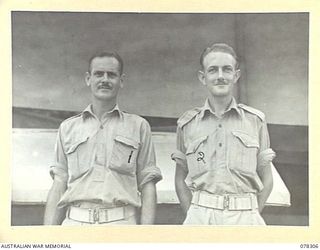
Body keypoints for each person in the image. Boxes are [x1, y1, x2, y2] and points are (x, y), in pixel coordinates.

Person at [44, 51, 162, 225]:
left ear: (121, 81)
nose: (105, 80)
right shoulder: (68, 128)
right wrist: (48, 236)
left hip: (122, 224)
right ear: (88, 79)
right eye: (98, 74)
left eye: (111, 75)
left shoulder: (138, 126)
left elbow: (148, 183)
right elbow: (59, 182)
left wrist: (146, 235)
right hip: (76, 223)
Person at [171, 43, 275, 225]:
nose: (220, 76)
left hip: (245, 216)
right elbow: (180, 178)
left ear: (236, 75)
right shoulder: (187, 124)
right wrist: (192, 214)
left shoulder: (255, 120)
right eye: (213, 70)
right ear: (203, 77)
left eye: (226, 69)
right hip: (200, 215)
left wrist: (252, 213)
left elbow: (267, 178)